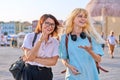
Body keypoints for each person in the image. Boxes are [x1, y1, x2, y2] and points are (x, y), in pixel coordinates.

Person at [59, 8, 105, 80]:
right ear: (73, 19)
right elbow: (63, 58)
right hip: (72, 76)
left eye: (85, 17)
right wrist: (69, 66)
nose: (83, 19)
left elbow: (99, 59)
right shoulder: (65, 38)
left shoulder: (91, 37)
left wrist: (90, 51)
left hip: (90, 76)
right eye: (80, 16)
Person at [21, 14, 59, 80]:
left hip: (46, 73)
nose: (50, 26)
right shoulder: (30, 37)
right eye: (47, 23)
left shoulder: (55, 42)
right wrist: (40, 41)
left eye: (52, 24)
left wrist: (33, 59)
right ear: (41, 23)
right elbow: (29, 56)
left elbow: (53, 62)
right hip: (29, 72)